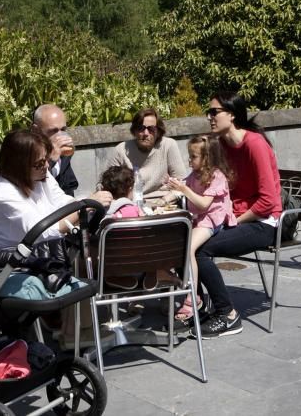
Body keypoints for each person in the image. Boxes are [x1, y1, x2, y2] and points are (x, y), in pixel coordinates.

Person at [193, 91, 282, 338]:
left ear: (231, 115)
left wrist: (232, 221)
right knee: (183, 241)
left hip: (263, 222)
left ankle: (228, 315)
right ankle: (197, 307)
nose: (209, 117)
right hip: (232, 216)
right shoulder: (219, 145)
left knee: (200, 250)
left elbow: (269, 201)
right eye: (208, 112)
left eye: (214, 112)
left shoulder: (254, 144)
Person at [0, 129, 111, 249]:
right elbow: (43, 232)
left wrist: (89, 203)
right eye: (39, 163)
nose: (46, 165)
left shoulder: (38, 172)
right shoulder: (3, 192)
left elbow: (61, 201)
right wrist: (83, 207)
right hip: (12, 258)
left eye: (46, 159)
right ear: (19, 166)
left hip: (45, 249)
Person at [166, 135, 236, 322]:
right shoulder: (195, 175)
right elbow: (181, 187)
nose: (190, 160)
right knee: (177, 243)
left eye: (194, 156)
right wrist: (167, 196)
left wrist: (184, 190)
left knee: (189, 248)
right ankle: (188, 290)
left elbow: (204, 204)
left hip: (211, 220)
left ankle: (193, 297)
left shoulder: (217, 176)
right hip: (198, 219)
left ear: (207, 158)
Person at [102, 107, 186, 201]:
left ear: (158, 131)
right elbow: (104, 185)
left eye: (151, 129)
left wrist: (164, 200)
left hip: (164, 203)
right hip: (130, 205)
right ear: (134, 131)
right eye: (141, 128)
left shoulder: (168, 146)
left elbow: (182, 183)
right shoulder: (121, 150)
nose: (146, 133)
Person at [32, 104, 78, 196]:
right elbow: (35, 189)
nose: (60, 136)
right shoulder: (27, 151)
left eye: (63, 129)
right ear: (36, 130)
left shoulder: (64, 154)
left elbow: (68, 188)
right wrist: (50, 160)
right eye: (53, 131)